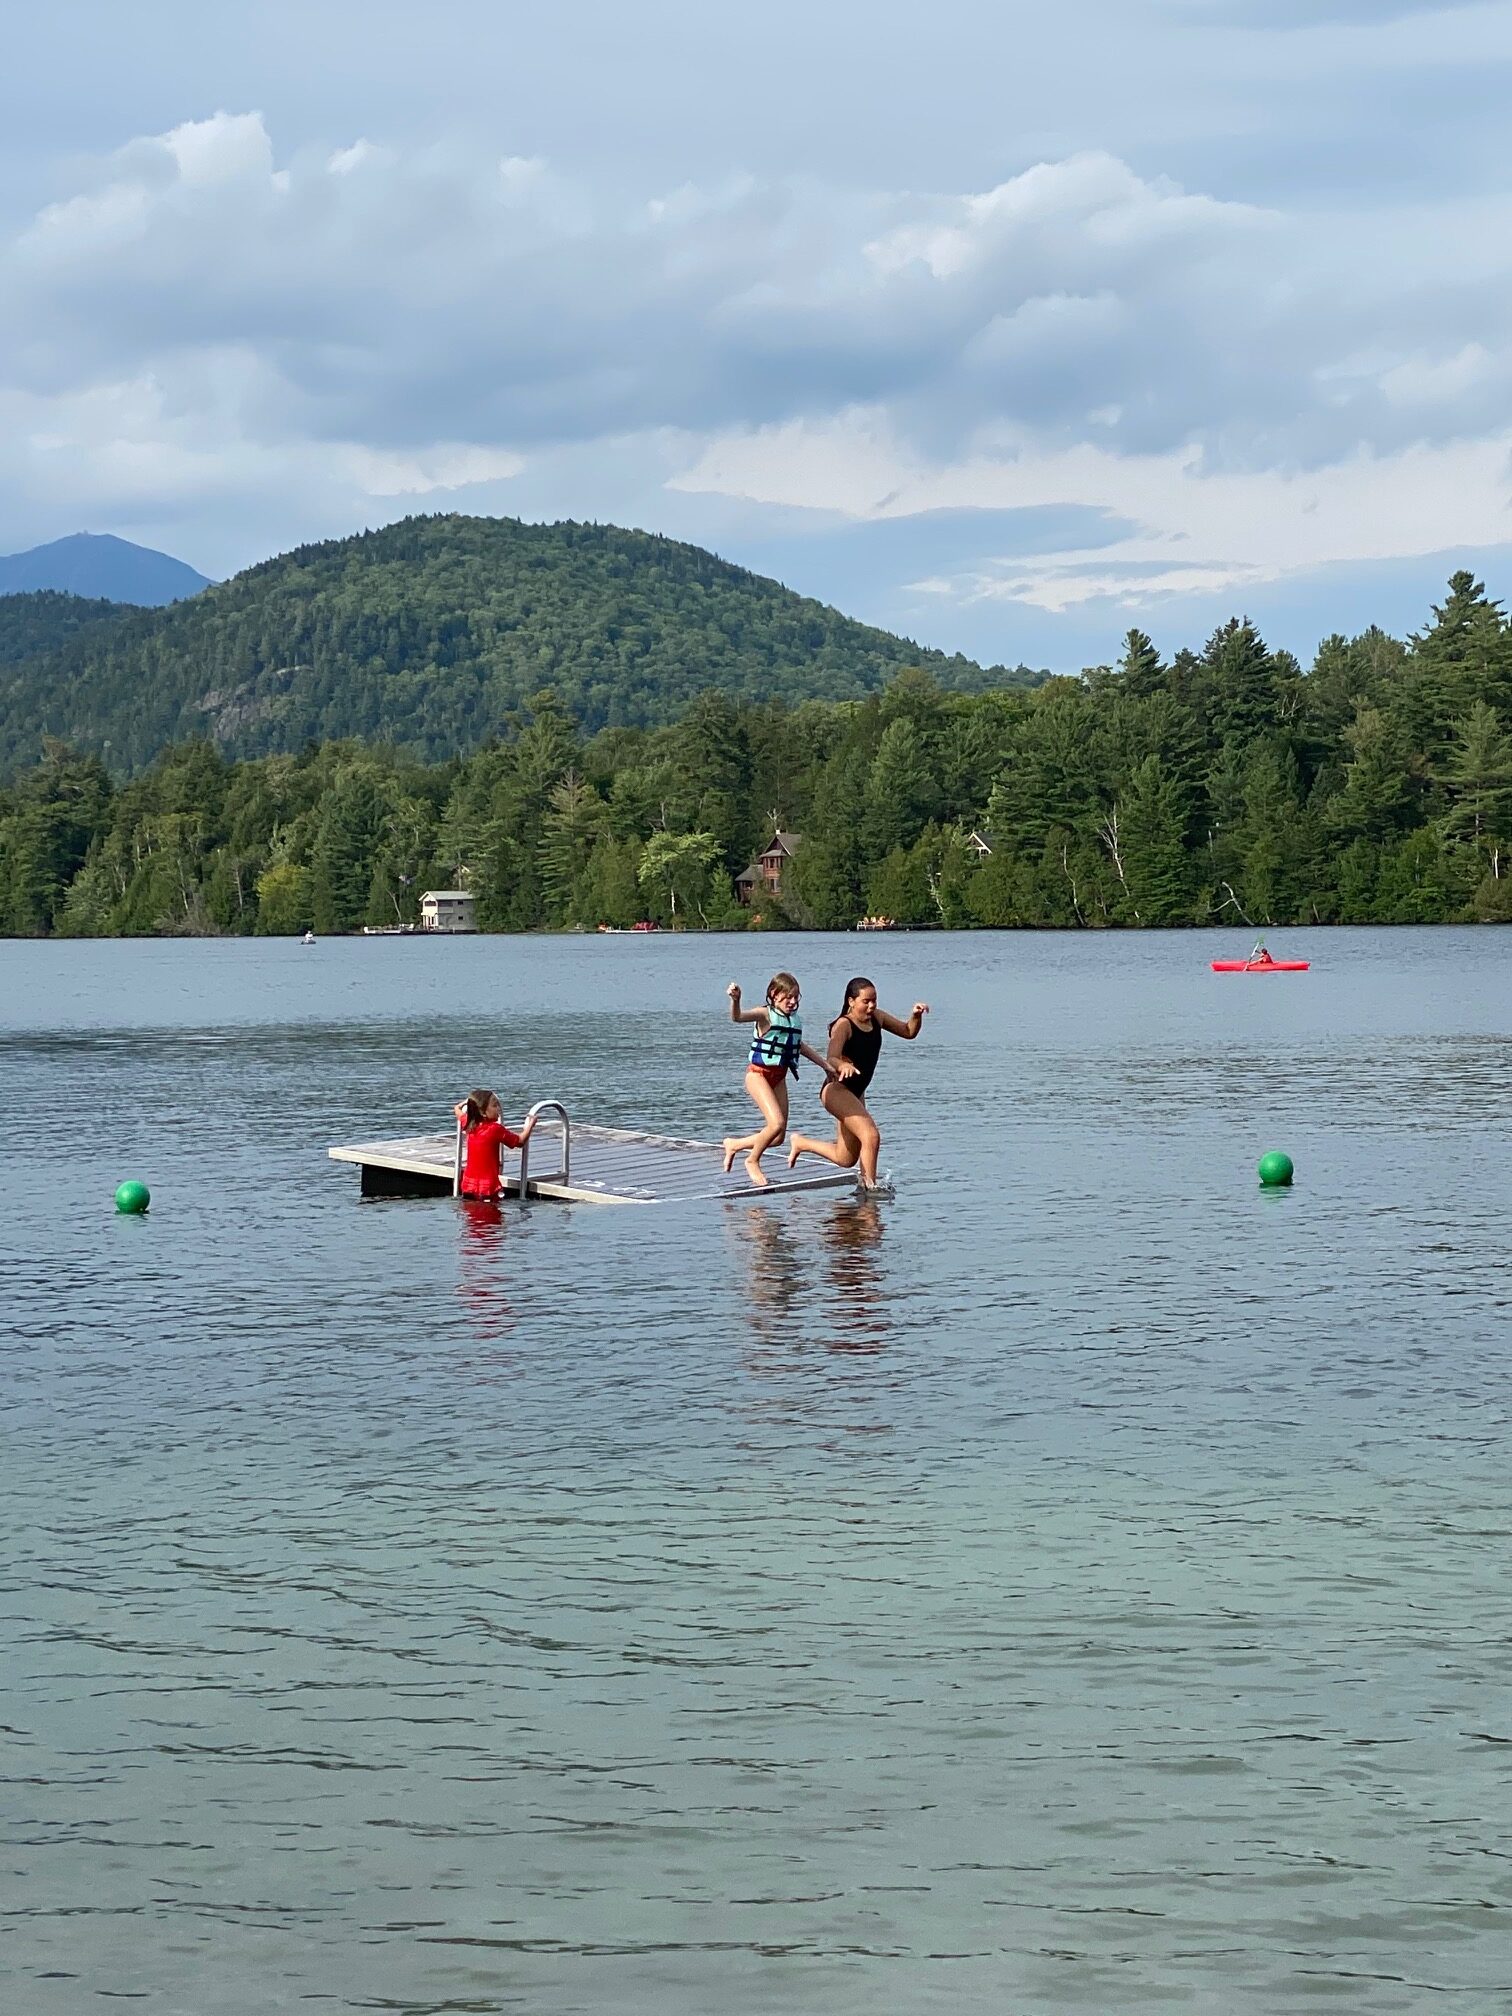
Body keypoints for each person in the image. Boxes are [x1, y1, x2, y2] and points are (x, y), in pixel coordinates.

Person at [785, 976, 928, 1191]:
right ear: (851, 1001)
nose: (871, 1006)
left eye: (874, 1001)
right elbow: (831, 1057)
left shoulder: (877, 1018)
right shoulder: (844, 1025)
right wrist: (842, 1065)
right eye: (866, 1001)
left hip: (856, 1093)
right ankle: (869, 1190)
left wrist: (915, 1015)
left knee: (845, 1158)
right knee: (870, 1136)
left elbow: (908, 1032)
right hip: (836, 1091)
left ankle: (801, 1143)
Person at [723, 972, 845, 1187]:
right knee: (776, 1123)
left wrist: (826, 1066)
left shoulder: (793, 1021)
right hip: (758, 1075)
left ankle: (735, 1145)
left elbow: (799, 1046)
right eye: (788, 996)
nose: (793, 1001)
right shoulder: (765, 1015)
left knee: (777, 1137)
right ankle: (752, 1160)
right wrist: (736, 1000)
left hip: (779, 1077)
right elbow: (737, 1017)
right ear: (774, 994)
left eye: (796, 997)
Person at [453, 1088, 537, 1201]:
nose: (498, 1108)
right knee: (491, 1217)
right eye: (494, 1105)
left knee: (472, 1216)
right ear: (483, 1112)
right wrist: (530, 1124)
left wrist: (467, 1102)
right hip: (488, 1188)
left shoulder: (469, 1124)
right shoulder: (495, 1129)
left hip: (468, 1186)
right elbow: (520, 1141)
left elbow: (457, 1109)